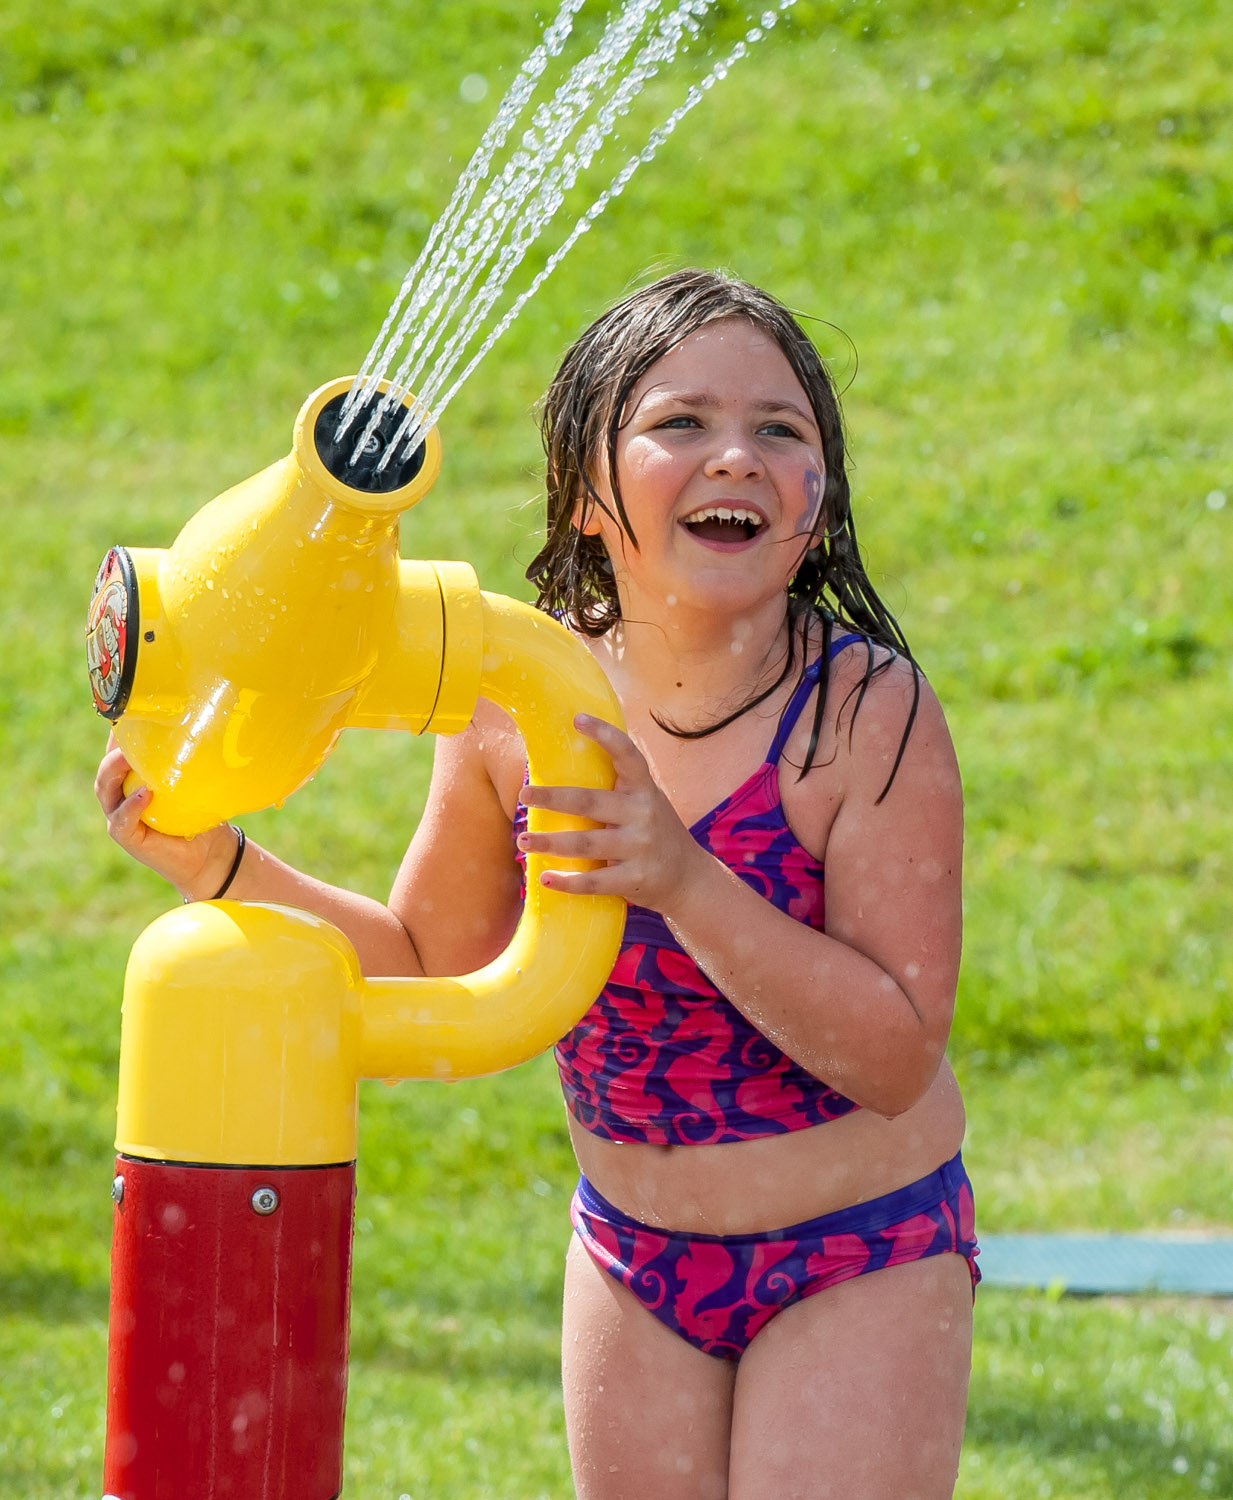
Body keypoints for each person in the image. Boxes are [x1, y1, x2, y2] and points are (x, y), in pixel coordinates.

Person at [97, 268, 976, 1499]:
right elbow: (426, 965)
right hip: (636, 1260)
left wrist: (684, 880)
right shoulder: (524, 707)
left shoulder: (863, 718)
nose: (735, 455)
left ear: (820, 509)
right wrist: (221, 865)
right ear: (584, 498)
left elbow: (894, 1055)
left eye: (781, 431)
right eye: (680, 424)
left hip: (859, 1253)